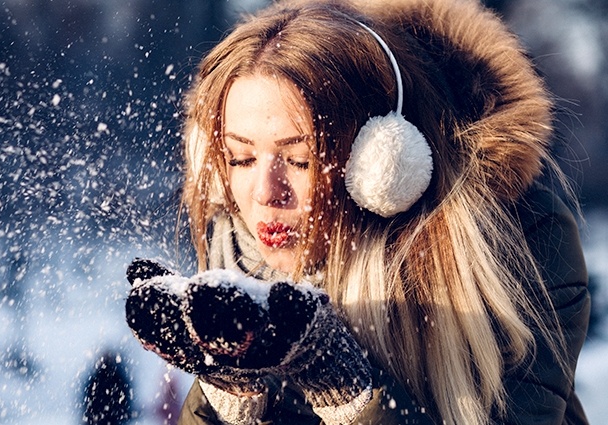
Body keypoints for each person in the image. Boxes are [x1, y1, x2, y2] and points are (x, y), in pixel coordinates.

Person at [123, 0, 591, 423]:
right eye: (241, 158)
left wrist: (346, 393)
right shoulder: (237, 250)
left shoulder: (521, 242)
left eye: (300, 160)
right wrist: (227, 395)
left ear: (382, 163)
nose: (266, 192)